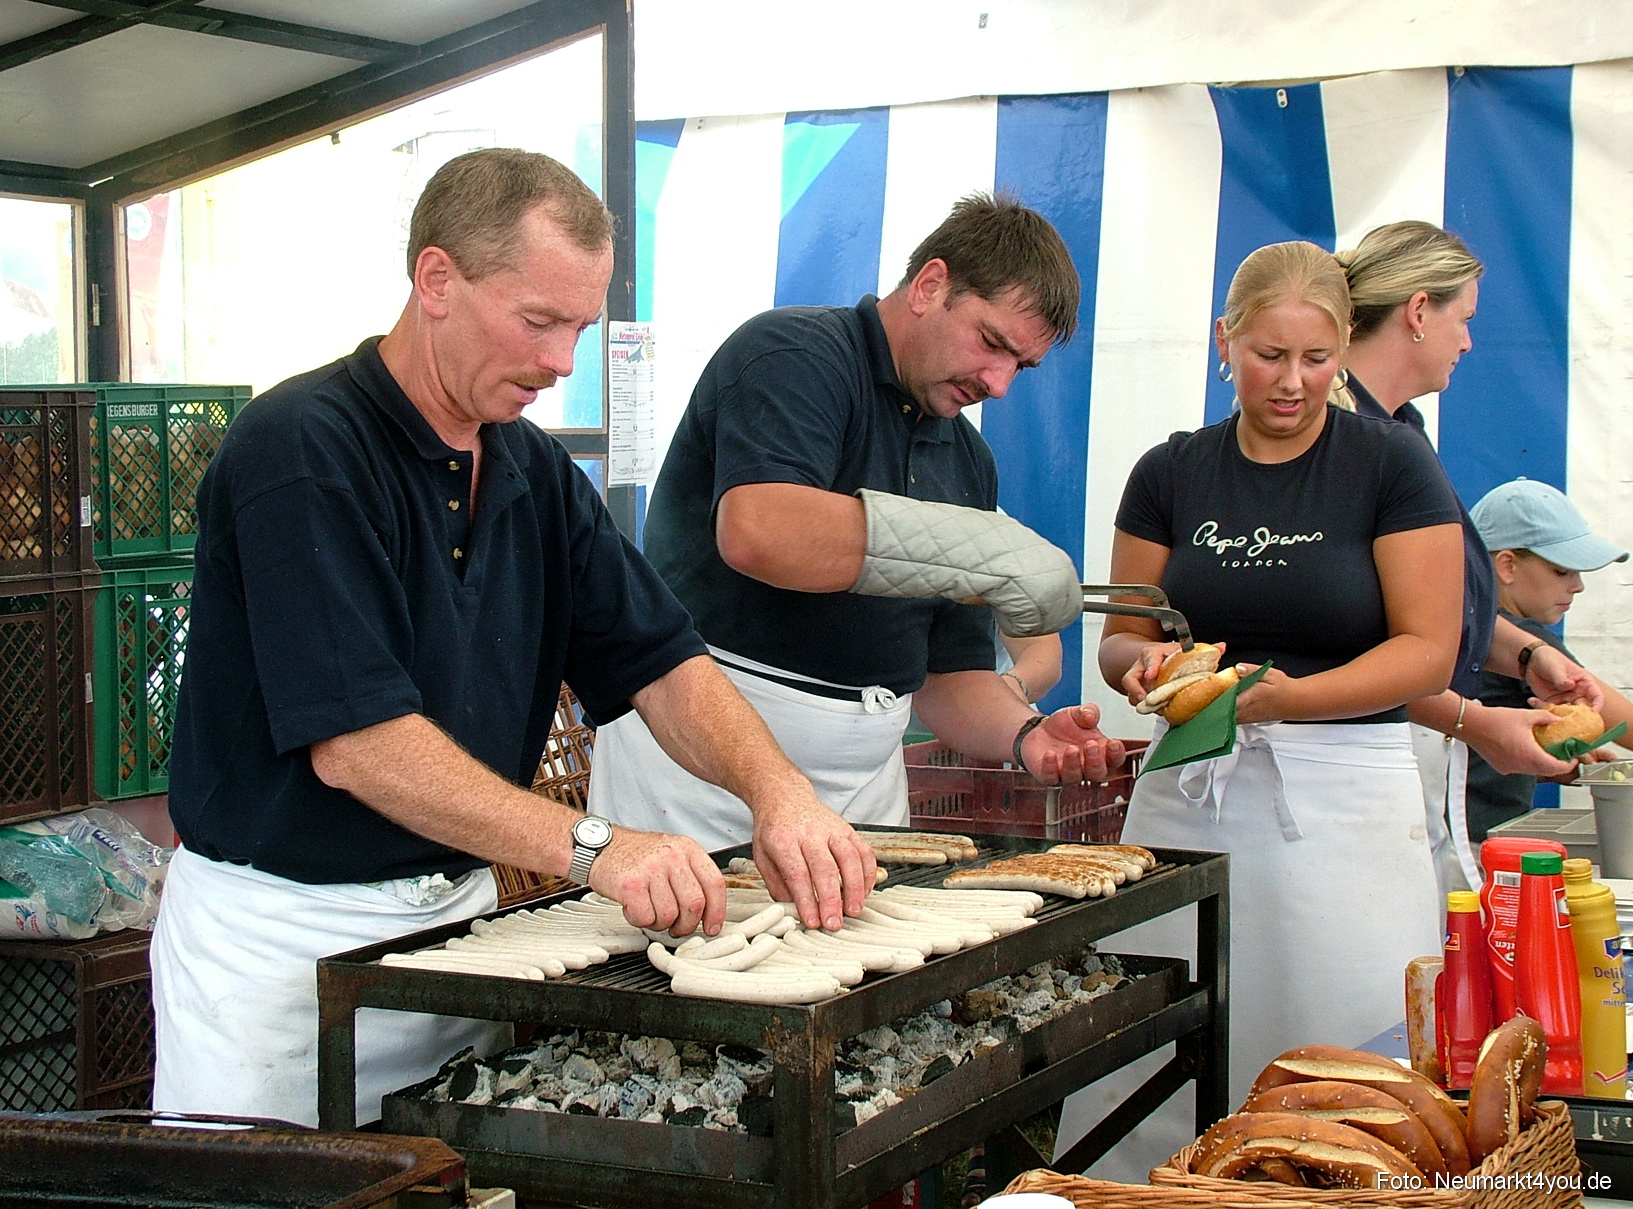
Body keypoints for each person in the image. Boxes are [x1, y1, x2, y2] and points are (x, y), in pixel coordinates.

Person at [150, 148, 875, 1128]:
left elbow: (662, 664)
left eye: (578, 325)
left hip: (457, 932)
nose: (562, 361)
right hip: (280, 947)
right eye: (538, 321)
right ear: (436, 279)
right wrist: (595, 846)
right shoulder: (301, 448)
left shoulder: (533, 472)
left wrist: (779, 793)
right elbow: (360, 745)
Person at [1061, 240, 1465, 1178]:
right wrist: (1143, 665)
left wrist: (1288, 701)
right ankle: (1142, 1189)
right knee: (1164, 1042)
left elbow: (1424, 648)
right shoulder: (1170, 470)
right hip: (1188, 794)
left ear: (1340, 352)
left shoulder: (1391, 465)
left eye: (1315, 360)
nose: (1291, 383)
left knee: (1347, 1067)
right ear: (1223, 342)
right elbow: (1122, 632)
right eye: (1266, 356)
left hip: (1348, 800)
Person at [588, 193, 1123, 847]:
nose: (1001, 382)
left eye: (1022, 365)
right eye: (991, 343)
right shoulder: (795, 353)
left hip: (863, 788)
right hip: (697, 772)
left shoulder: (968, 460)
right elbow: (759, 531)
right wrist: (983, 547)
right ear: (930, 284)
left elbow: (946, 679)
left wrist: (1025, 734)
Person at [1337, 220, 1602, 892]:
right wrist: (1476, 722)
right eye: (1464, 318)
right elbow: (1345, 639)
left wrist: (1525, 654)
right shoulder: (1345, 441)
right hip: (1350, 770)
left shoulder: (1400, 430)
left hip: (1408, 761)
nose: (1468, 340)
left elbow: (1443, 604)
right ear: (1418, 311)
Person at [1464, 478, 1633, 842]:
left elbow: (1471, 757)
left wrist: (1547, 767)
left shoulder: (1466, 623)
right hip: (1481, 844)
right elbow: (1625, 722)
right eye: (1562, 571)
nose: (1578, 585)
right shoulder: (1523, 636)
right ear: (1506, 565)